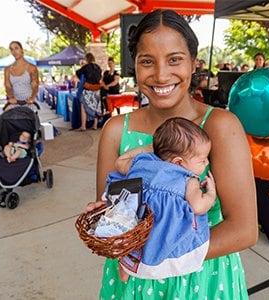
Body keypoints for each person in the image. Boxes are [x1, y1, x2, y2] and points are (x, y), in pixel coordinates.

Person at [87, 9, 257, 299]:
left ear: (193, 62)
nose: (161, 74)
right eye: (147, 61)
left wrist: (159, 260)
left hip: (202, 280)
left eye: (175, 59)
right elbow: (117, 216)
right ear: (135, 67)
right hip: (134, 284)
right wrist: (103, 219)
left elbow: (243, 230)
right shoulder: (117, 130)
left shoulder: (219, 126)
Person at [107, 117, 216, 281]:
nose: (207, 162)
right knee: (171, 237)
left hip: (136, 227)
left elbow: (120, 163)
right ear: (178, 162)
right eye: (202, 160)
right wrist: (211, 194)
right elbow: (198, 206)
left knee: (132, 236)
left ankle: (126, 265)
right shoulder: (188, 179)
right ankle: (156, 269)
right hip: (161, 238)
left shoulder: (144, 162)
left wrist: (149, 148)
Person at [3, 41, 39, 111]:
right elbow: (7, 85)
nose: (14, 51)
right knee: (5, 118)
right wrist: (11, 97)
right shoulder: (7, 69)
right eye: (12, 49)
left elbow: (35, 84)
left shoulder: (31, 67)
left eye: (16, 48)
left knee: (31, 119)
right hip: (14, 102)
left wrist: (32, 98)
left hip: (29, 102)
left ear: (22, 50)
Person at [75, 52, 102, 131]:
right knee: (96, 107)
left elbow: (77, 73)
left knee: (83, 106)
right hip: (97, 89)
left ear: (87, 59)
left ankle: (83, 126)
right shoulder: (98, 67)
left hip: (88, 89)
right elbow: (99, 77)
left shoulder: (86, 67)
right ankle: (95, 125)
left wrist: (82, 78)